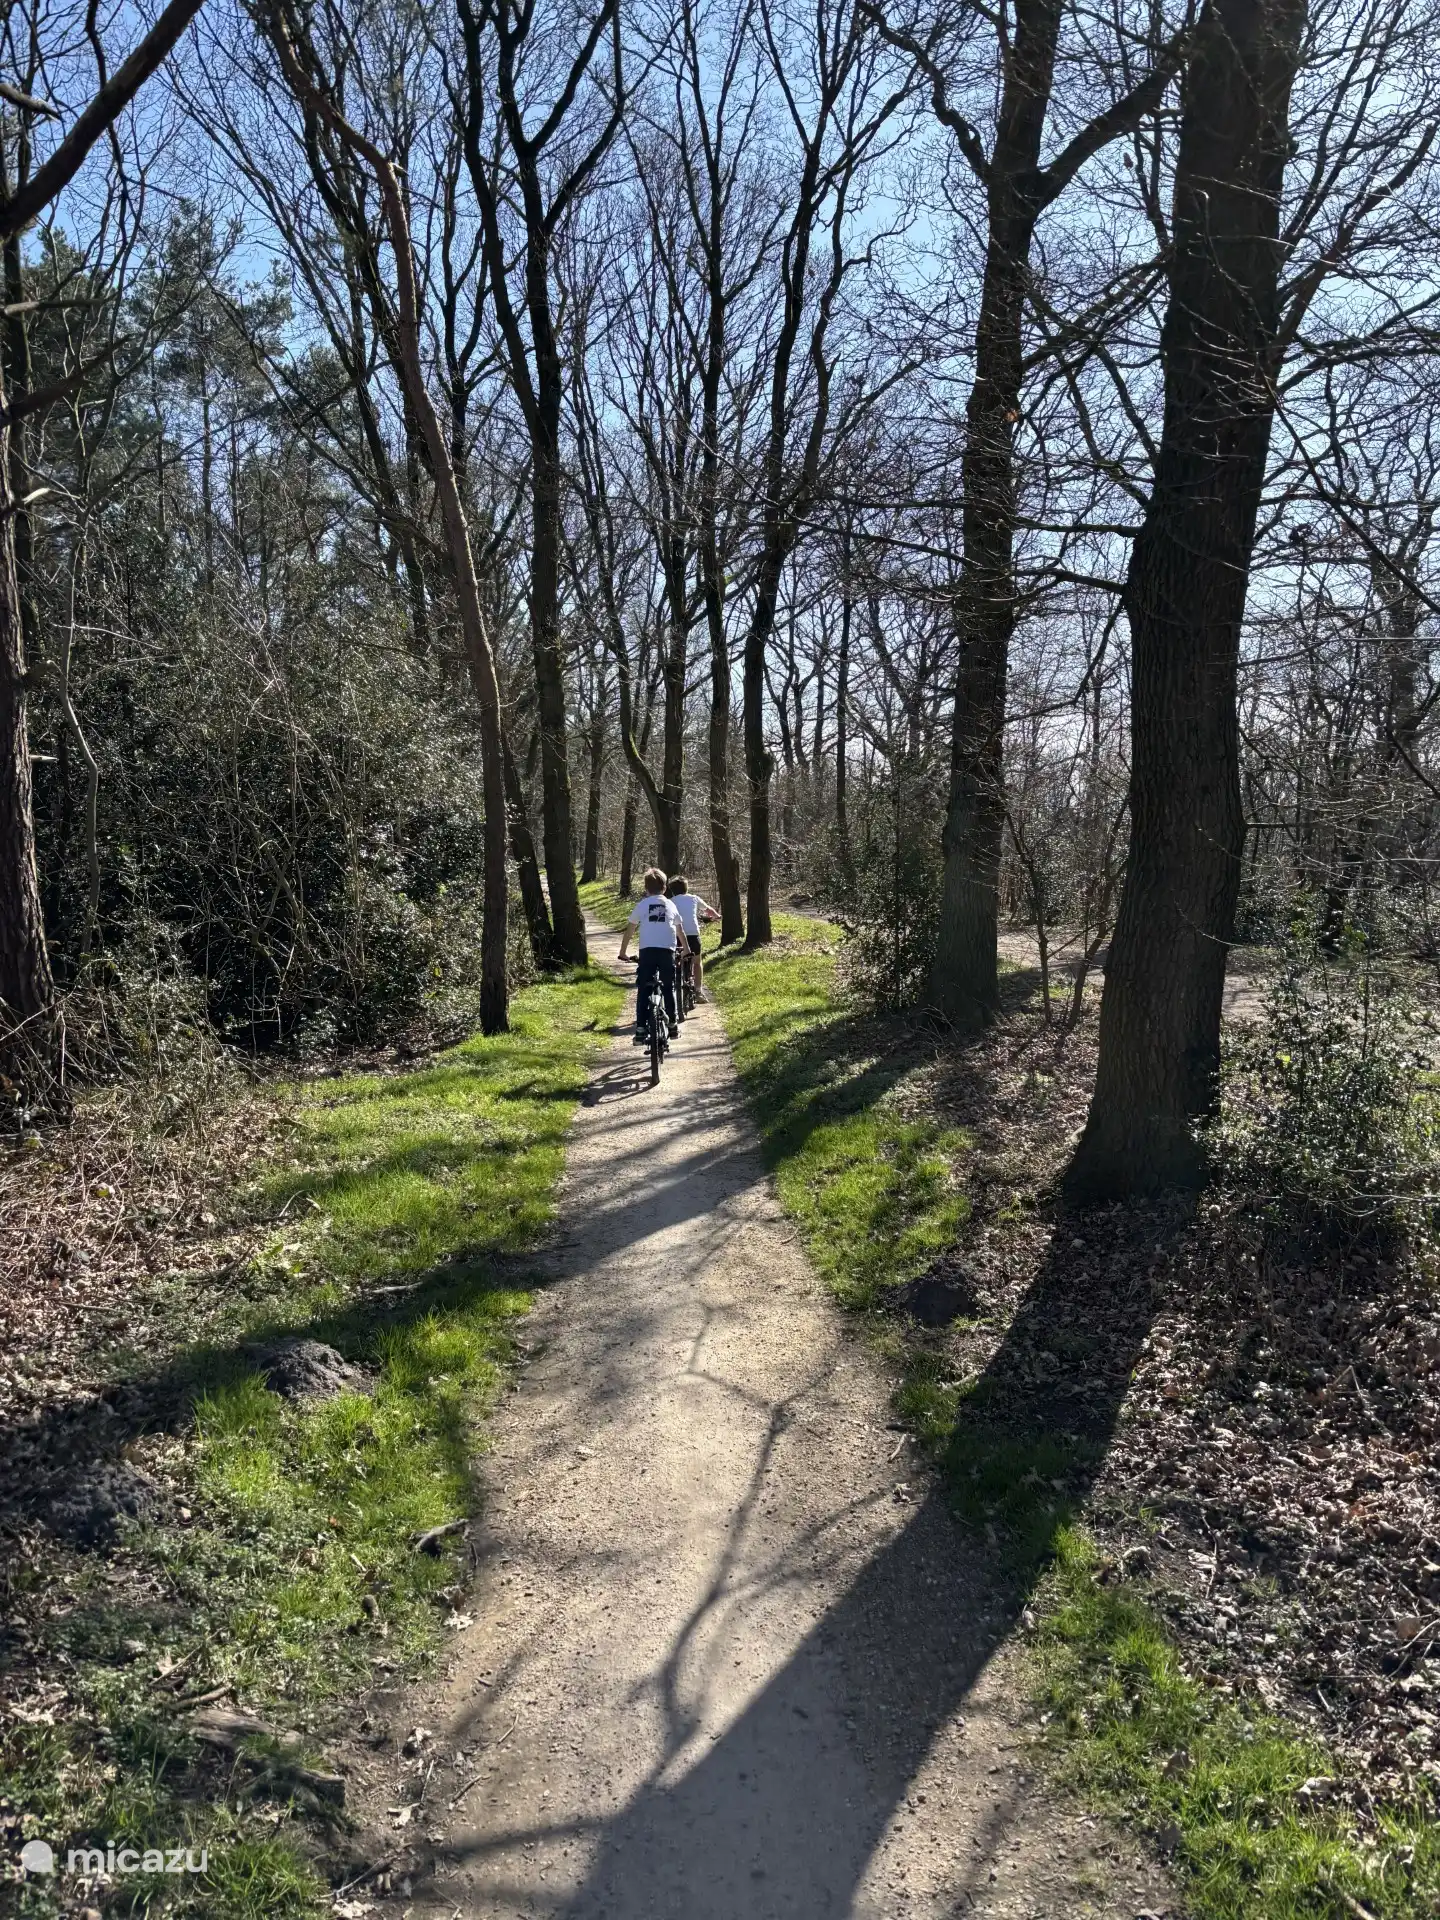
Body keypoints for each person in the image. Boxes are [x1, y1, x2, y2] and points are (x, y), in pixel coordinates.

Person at [617, 868, 683, 1042]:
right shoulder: (670, 905)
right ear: (665, 888)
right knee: (668, 988)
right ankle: (673, 1026)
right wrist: (686, 948)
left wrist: (623, 952)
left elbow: (630, 929)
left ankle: (640, 1029)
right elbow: (679, 930)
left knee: (644, 988)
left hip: (647, 952)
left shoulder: (642, 905)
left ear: (646, 888)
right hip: (667, 951)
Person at [666, 876, 719, 1002]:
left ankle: (674, 984)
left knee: (675, 959)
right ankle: (698, 991)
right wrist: (717, 916)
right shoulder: (694, 898)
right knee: (697, 962)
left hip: (676, 935)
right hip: (692, 935)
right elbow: (709, 910)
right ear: (686, 888)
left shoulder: (669, 901)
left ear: (672, 890)